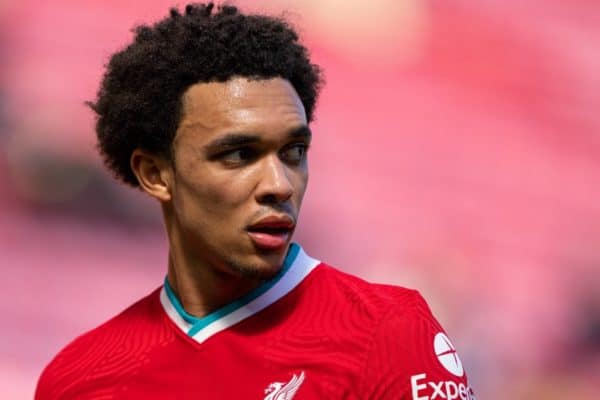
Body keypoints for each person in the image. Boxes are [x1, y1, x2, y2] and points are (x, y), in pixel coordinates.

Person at [36, 3, 475, 399]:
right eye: (239, 155)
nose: (279, 184)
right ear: (155, 174)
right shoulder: (78, 380)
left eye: (293, 152)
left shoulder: (389, 333)